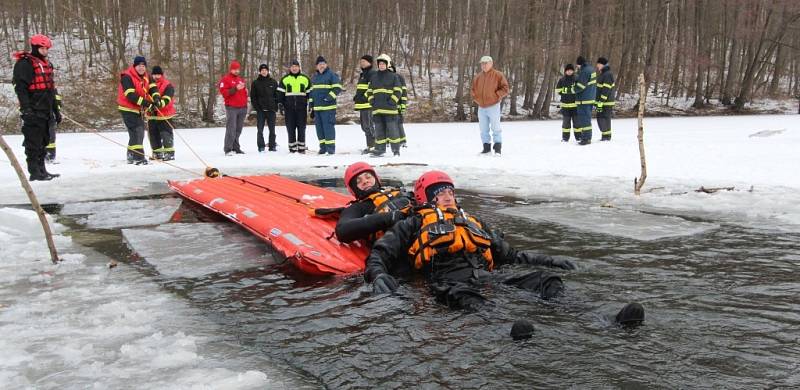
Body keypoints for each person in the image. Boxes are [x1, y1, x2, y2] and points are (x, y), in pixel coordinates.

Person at [365, 170, 645, 326]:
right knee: (474, 302)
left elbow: (510, 255)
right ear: (425, 199)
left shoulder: (472, 221)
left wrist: (550, 261)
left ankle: (602, 318)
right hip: (447, 283)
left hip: (488, 277)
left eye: (450, 191)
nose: (448, 196)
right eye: (439, 193)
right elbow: (380, 254)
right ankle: (506, 329)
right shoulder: (412, 224)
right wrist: (378, 276)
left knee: (545, 282)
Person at [12, 34, 61, 180]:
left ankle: (42, 169)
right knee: (33, 142)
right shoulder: (25, 64)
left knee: (44, 141)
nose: (46, 51)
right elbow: (20, 88)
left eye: (47, 49)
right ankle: (34, 172)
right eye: (43, 48)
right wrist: (26, 109)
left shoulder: (46, 64)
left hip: (46, 109)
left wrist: (56, 111)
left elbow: (51, 90)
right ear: (35, 47)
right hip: (33, 109)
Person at [335, 162, 414, 246]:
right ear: (353, 189)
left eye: (368, 177)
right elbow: (342, 231)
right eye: (358, 181)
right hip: (399, 246)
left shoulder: (399, 193)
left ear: (376, 179)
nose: (365, 181)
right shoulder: (357, 207)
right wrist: (389, 217)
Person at [117, 55, 158, 165]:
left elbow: (153, 87)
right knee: (137, 132)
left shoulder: (146, 76)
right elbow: (130, 95)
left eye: (143, 65)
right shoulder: (127, 77)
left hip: (137, 109)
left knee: (137, 132)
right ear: (134, 66)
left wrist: (156, 98)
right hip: (127, 108)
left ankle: (131, 155)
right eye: (139, 65)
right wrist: (146, 103)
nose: (141, 68)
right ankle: (138, 157)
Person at [366, 54, 404, 157]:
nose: (381, 65)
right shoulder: (374, 77)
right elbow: (369, 91)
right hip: (377, 109)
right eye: (380, 64)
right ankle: (380, 149)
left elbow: (398, 91)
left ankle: (396, 150)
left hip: (390, 110)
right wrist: (372, 101)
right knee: (379, 131)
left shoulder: (394, 76)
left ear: (387, 65)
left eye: (383, 64)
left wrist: (392, 101)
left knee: (393, 131)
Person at [471, 55, 509, 155]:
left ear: (491, 64)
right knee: (483, 129)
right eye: (482, 64)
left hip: (493, 106)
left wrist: (496, 96)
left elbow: (505, 89)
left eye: (486, 63)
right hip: (481, 107)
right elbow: (473, 90)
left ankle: (497, 149)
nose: (484, 65)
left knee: (496, 128)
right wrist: (476, 98)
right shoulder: (478, 77)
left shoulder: (498, 75)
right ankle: (486, 149)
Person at [309, 56, 342, 155]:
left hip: (328, 108)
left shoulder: (332, 75)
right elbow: (311, 92)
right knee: (319, 129)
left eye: (323, 64)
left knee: (328, 129)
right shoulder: (315, 77)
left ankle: (330, 149)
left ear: (326, 65)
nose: (321, 66)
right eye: (319, 64)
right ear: (316, 66)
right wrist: (311, 105)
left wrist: (328, 98)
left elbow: (337, 88)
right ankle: (323, 148)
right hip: (317, 109)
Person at [277, 60, 311, 154]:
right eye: (292, 66)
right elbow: (280, 94)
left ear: (299, 67)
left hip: (302, 109)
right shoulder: (285, 79)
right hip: (289, 109)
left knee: (301, 128)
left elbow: (310, 93)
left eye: (296, 66)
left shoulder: (305, 79)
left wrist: (311, 104)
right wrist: (280, 105)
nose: (294, 68)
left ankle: (301, 148)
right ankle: (292, 148)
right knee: (290, 129)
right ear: (290, 68)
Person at [219, 60, 248, 155]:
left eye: (237, 69)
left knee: (238, 129)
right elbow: (224, 93)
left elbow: (243, 93)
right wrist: (235, 88)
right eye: (234, 69)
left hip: (242, 107)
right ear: (231, 69)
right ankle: (228, 149)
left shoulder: (240, 79)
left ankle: (236, 147)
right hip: (232, 108)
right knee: (231, 128)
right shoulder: (225, 79)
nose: (236, 71)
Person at [147, 65, 176, 161]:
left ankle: (169, 153)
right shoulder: (148, 84)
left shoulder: (167, 85)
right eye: (154, 74)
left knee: (166, 134)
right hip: (152, 114)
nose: (156, 77)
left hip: (164, 114)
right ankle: (157, 153)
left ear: (161, 75)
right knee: (153, 135)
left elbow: (168, 98)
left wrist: (160, 104)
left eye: (158, 74)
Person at [251, 63, 279, 152]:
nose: (264, 72)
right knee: (260, 130)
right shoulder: (255, 83)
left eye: (265, 70)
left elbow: (277, 96)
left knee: (272, 130)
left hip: (271, 110)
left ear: (268, 71)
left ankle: (272, 146)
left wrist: (275, 107)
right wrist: (257, 108)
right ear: (260, 72)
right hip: (261, 111)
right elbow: (253, 97)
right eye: (262, 70)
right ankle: (261, 146)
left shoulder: (273, 82)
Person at [354, 55, 376, 154]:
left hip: (368, 104)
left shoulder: (372, 73)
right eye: (361, 61)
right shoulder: (363, 74)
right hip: (362, 104)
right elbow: (361, 88)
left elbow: (372, 87)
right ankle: (370, 145)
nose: (362, 63)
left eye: (364, 61)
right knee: (364, 127)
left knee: (369, 126)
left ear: (370, 63)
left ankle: (373, 146)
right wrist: (356, 96)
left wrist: (365, 97)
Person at [573, 56, 597, 145]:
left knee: (584, 120)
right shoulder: (591, 69)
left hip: (584, 99)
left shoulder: (584, 71)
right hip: (590, 98)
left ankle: (586, 138)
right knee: (587, 119)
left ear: (579, 64)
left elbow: (581, 86)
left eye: (577, 65)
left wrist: (572, 90)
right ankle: (586, 137)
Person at [555, 64, 578, 142]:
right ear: (565, 71)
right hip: (565, 106)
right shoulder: (562, 80)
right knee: (566, 124)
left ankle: (579, 138)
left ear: (573, 71)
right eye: (568, 70)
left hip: (575, 106)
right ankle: (565, 138)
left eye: (571, 70)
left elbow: (579, 89)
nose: (569, 71)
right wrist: (567, 91)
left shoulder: (576, 78)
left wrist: (568, 91)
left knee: (577, 124)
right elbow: (558, 90)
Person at [595, 57, 616, 141]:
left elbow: (606, 90)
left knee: (603, 118)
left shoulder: (607, 74)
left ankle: (606, 136)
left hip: (606, 102)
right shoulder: (603, 74)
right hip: (603, 102)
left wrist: (601, 101)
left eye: (599, 64)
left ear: (603, 64)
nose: (597, 66)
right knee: (603, 118)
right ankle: (606, 136)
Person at [389, 64, 408, 148]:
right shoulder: (383, 77)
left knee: (398, 123)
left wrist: (403, 104)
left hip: (397, 104)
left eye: (390, 68)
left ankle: (402, 140)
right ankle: (388, 140)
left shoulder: (399, 77)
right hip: (387, 105)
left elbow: (403, 92)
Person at [45, 91, 62, 164]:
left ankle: (50, 156)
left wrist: (57, 111)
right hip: (40, 117)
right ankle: (44, 157)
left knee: (51, 138)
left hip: (51, 116)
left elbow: (58, 102)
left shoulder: (51, 88)